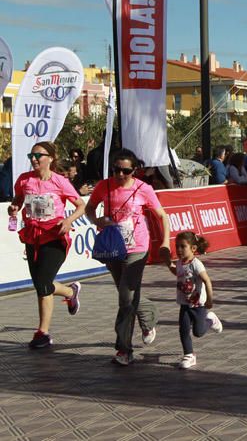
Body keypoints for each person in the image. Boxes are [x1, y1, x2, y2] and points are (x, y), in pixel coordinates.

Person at [86, 149, 172, 365]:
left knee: (125, 298)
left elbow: (162, 215)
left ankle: (124, 349)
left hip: (137, 248)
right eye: (117, 170)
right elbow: (89, 208)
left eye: (126, 171)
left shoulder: (144, 189)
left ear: (134, 170)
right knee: (126, 294)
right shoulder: (104, 186)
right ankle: (149, 313)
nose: (121, 175)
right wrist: (97, 221)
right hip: (113, 248)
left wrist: (165, 243)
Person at [8, 141, 85, 348]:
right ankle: (70, 292)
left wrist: (68, 221)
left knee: (42, 283)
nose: (33, 159)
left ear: (50, 158)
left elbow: (81, 205)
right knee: (40, 286)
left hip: (54, 236)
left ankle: (43, 333)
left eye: (38, 156)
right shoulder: (24, 180)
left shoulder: (60, 181)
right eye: (31, 156)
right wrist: (14, 207)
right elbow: (18, 198)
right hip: (33, 236)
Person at [168, 231, 223, 369]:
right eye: (177, 246)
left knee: (198, 332)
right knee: (183, 329)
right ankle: (189, 355)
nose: (179, 250)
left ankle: (210, 320)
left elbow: (207, 281)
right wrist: (169, 264)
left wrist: (210, 300)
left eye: (183, 246)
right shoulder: (180, 262)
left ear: (193, 248)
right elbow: (178, 272)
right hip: (185, 304)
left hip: (198, 305)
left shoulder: (196, 264)